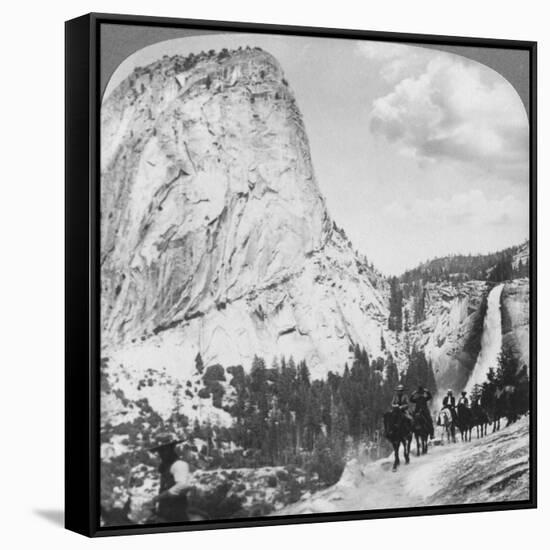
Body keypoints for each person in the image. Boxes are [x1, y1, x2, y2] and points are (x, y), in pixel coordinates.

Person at [148, 433, 192, 523]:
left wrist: (160, 497)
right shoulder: (165, 467)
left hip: (176, 515)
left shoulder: (179, 465)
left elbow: (183, 485)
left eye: (164, 450)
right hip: (164, 513)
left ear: (171, 449)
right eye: (160, 451)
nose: (161, 454)